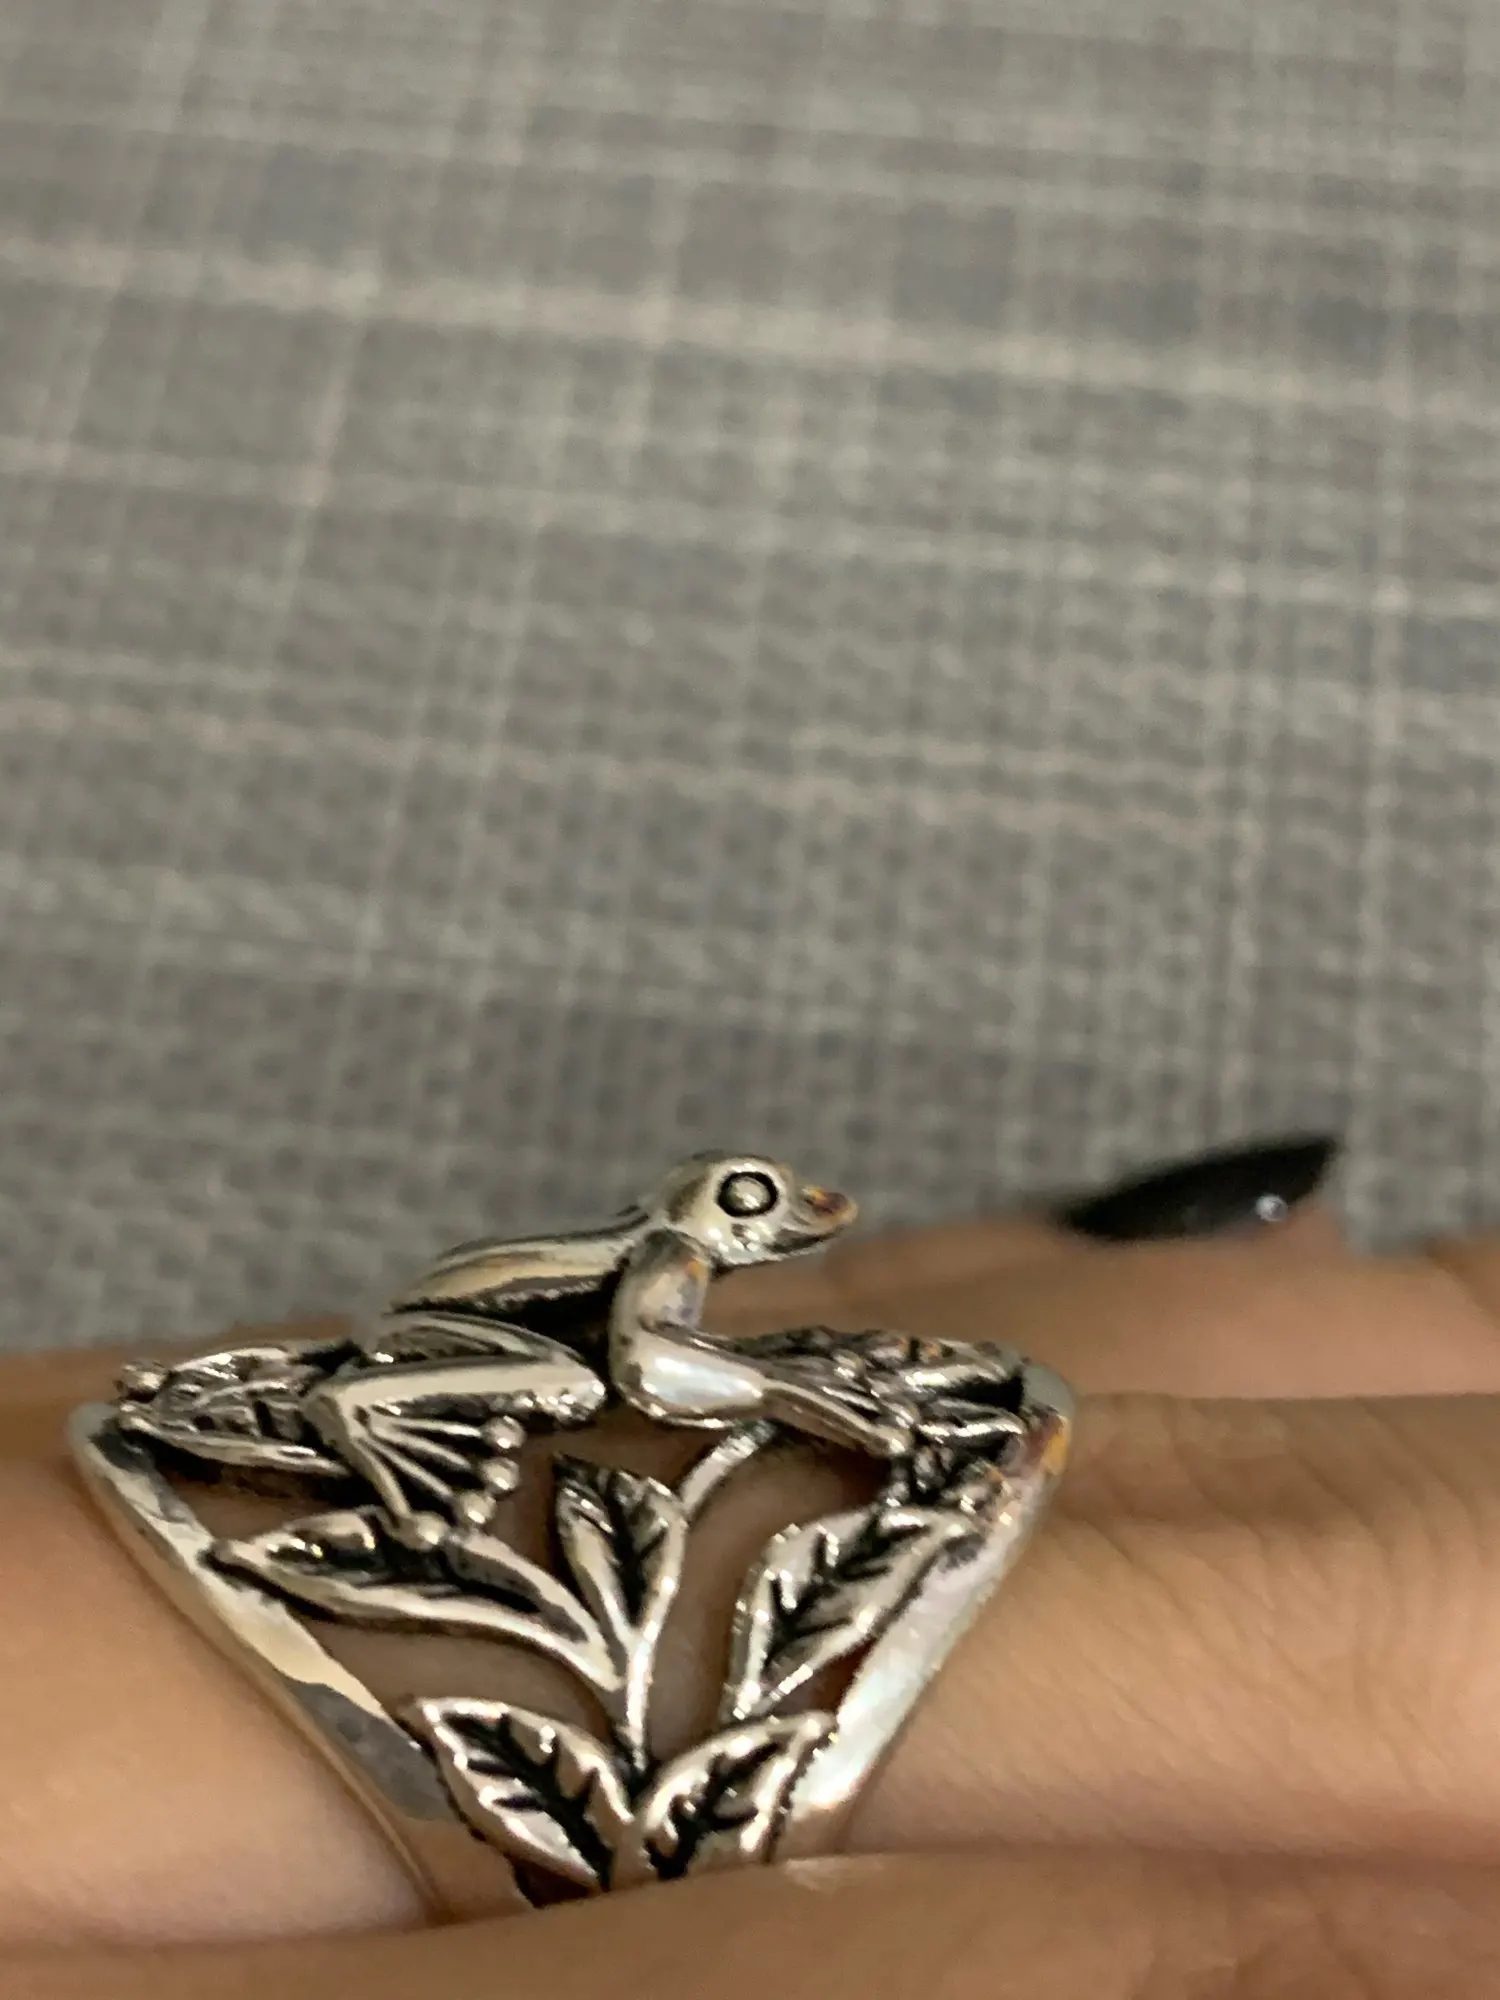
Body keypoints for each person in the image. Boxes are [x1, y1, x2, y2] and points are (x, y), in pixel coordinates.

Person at [8, 1135, 1500, 1997]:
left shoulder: (671, 1269)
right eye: (758, 1208)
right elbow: (652, 1377)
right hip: (440, 1393)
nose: (792, 1225)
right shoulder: (658, 1275)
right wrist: (811, 1400)